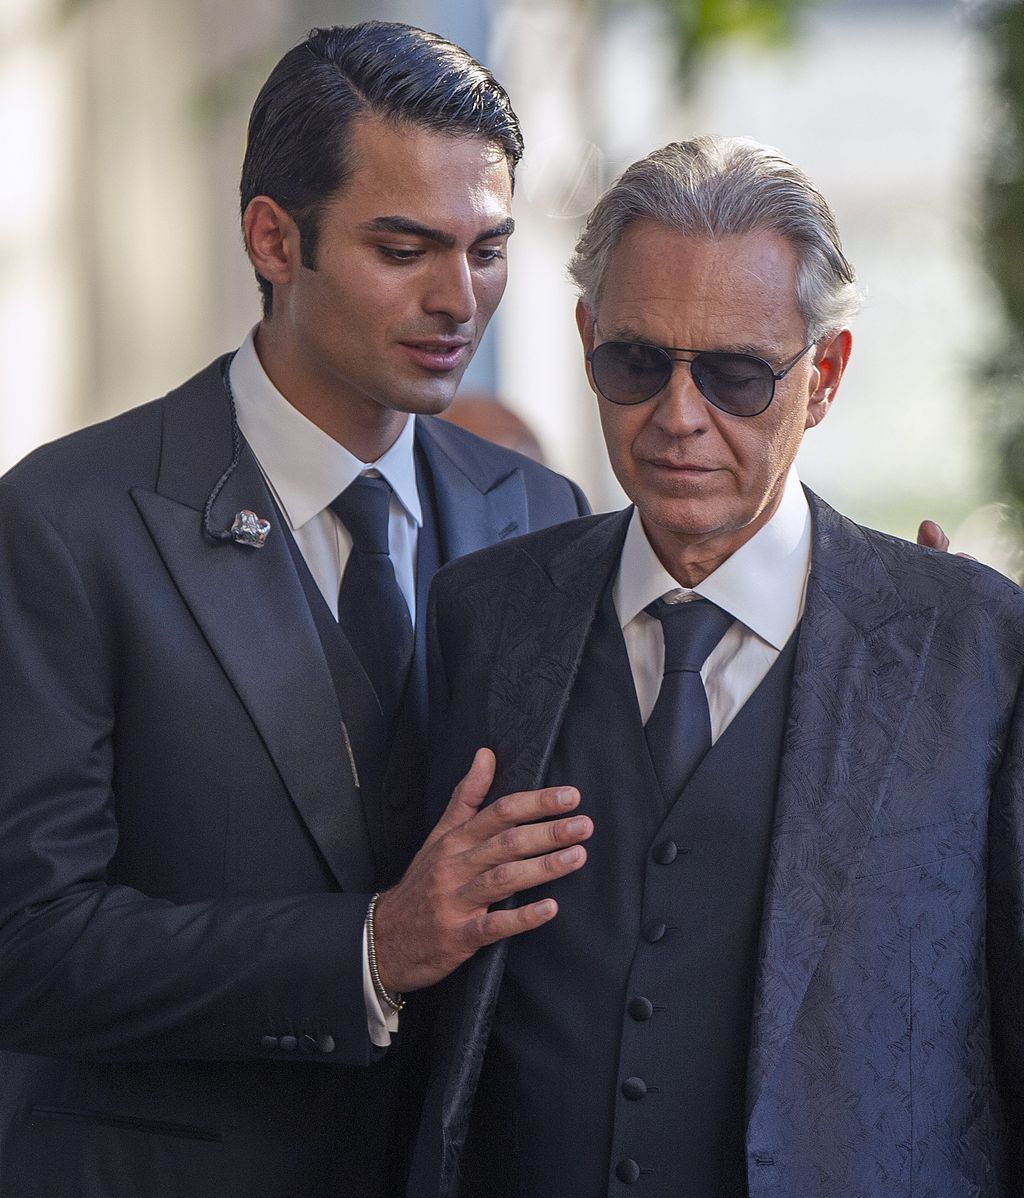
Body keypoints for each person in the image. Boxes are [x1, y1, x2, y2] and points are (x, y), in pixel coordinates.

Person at [0, 23, 593, 1198]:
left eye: (487, 250)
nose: (455, 299)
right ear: (273, 238)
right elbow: (28, 943)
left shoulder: (542, 511)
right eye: (403, 247)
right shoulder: (65, 522)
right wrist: (367, 949)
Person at [408, 135, 1024, 1197]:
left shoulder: (971, 644)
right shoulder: (483, 613)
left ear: (821, 376)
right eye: (638, 363)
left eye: (736, 374)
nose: (678, 417)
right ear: (587, 341)